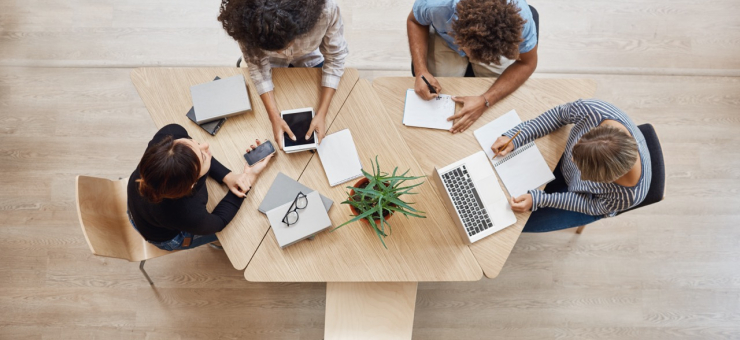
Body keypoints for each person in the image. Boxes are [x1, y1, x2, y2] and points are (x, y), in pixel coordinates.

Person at [490, 99, 652, 232]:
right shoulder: (596, 111)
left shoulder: (628, 196)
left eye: (581, 168)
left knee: (513, 225)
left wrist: (540, 199)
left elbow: (592, 206)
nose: (572, 160)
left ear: (606, 179)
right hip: (562, 168)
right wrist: (517, 137)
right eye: (576, 151)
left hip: (588, 199)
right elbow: (560, 115)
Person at [218, 0, 348, 148]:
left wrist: (322, 113)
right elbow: (258, 66)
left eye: (284, 45)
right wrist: (273, 117)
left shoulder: (326, 11)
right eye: (272, 49)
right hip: (268, 62)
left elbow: (335, 58)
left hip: (309, 58)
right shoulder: (247, 22)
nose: (280, 52)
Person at [127, 124, 273, 251]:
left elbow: (189, 156)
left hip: (139, 212)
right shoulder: (187, 213)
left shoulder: (169, 135)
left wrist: (227, 176)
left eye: (193, 142)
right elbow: (219, 222)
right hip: (164, 237)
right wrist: (248, 179)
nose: (205, 145)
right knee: (232, 235)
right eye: (203, 157)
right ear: (192, 184)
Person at [407, 0, 538, 134]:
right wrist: (421, 71)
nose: (472, 59)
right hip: (446, 38)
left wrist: (486, 100)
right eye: (471, 53)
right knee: (442, 85)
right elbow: (414, 21)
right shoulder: (435, 4)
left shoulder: (522, 18)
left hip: (490, 43)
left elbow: (527, 63)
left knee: (500, 96)